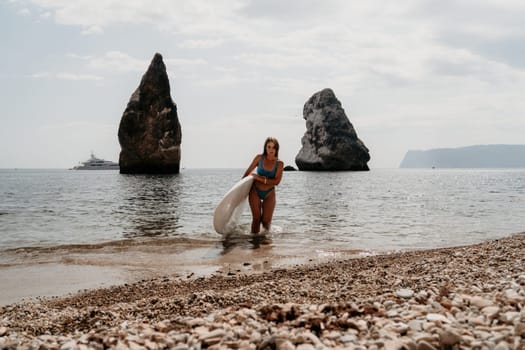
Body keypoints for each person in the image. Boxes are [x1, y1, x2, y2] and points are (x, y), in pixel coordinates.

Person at [243, 137, 284, 234]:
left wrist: (259, 178)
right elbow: (247, 173)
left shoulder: (279, 164)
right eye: (269, 147)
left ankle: (265, 246)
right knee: (256, 219)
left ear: (276, 149)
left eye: (273, 148)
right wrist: (239, 190)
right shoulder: (259, 158)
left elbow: (276, 182)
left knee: (266, 222)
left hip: (269, 193)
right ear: (265, 148)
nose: (271, 150)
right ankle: (254, 243)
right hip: (255, 190)